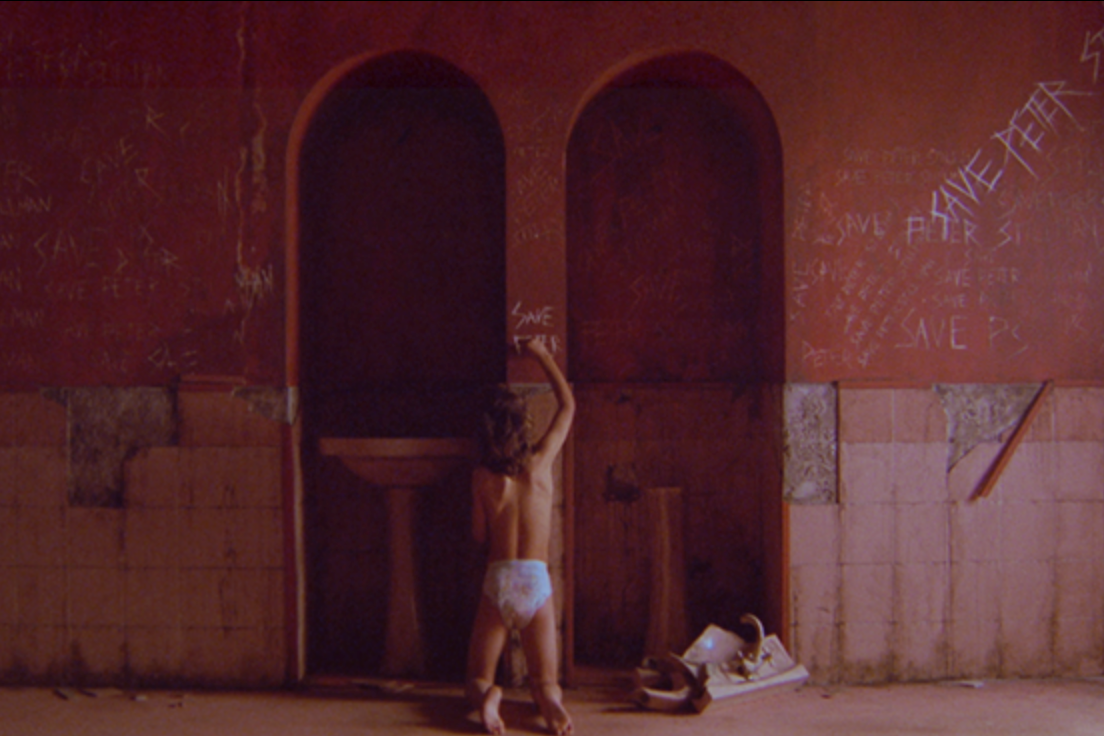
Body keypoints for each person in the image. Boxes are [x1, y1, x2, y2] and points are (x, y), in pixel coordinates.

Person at [467, 338, 575, 736]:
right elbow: (567, 407)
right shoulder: (541, 464)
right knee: (545, 681)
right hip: (536, 581)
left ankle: (490, 697)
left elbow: (479, 536)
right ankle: (550, 706)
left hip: (499, 579)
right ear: (523, 425)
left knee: (477, 678)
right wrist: (541, 354)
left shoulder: (482, 478)